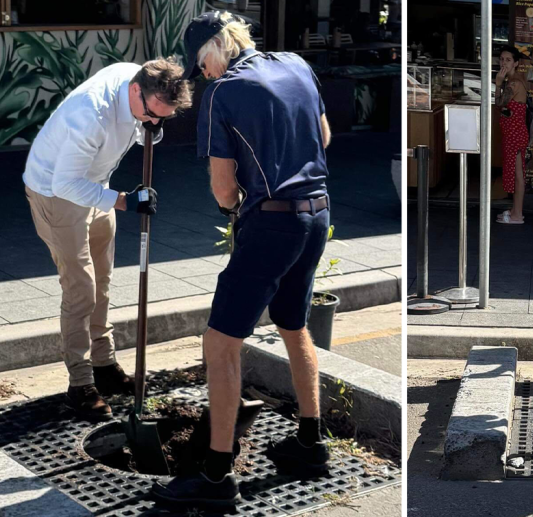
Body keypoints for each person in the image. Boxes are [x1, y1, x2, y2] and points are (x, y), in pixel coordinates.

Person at [152, 11, 333, 506]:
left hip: (271, 222)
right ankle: (311, 445)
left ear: (212, 50)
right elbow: (325, 137)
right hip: (317, 211)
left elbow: (224, 187)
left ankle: (214, 475)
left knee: (220, 341)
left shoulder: (224, 92)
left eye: (199, 65)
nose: (202, 74)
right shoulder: (296, 64)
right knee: (294, 325)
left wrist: (236, 210)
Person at [22, 59, 192, 421]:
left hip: (94, 186)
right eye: (151, 113)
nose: (156, 123)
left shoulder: (137, 79)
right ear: (136, 90)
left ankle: (104, 364)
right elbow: (64, 184)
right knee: (81, 288)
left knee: (103, 281)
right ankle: (80, 384)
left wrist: (150, 124)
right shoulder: (90, 114)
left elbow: (145, 124)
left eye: (165, 117)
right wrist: (125, 201)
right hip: (57, 192)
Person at [495, 45, 530, 225]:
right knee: (515, 173)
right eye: (501, 59)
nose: (504, 63)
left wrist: (498, 83)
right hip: (513, 132)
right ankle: (515, 210)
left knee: (517, 174)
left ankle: (517, 215)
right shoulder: (515, 80)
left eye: (508, 60)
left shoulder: (514, 83)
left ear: (516, 63)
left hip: (515, 133)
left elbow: (500, 103)